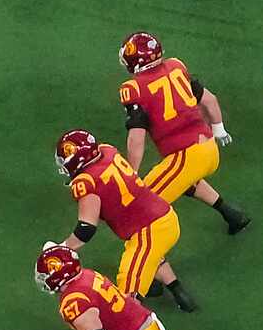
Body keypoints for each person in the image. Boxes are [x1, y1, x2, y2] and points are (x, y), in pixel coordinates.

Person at [117, 32, 249, 235]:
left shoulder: (133, 88)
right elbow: (210, 100)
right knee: (182, 180)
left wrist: (132, 174)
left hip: (187, 156)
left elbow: (137, 137)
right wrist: (219, 129)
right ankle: (231, 214)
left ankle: (155, 260)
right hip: (208, 148)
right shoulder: (176, 66)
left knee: (140, 207)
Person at [54, 127, 194, 312]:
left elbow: (86, 229)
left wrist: (62, 249)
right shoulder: (107, 150)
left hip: (149, 230)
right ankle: (179, 293)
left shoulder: (85, 182)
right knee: (148, 257)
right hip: (161, 218)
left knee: (125, 300)